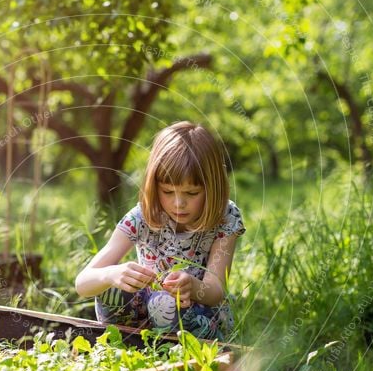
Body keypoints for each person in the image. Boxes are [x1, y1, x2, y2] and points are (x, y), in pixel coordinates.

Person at [75, 121, 245, 341]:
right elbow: (83, 283)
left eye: (191, 193)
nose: (178, 203)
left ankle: (173, 356)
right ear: (154, 186)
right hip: (145, 318)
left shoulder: (225, 217)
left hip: (198, 319)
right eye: (167, 191)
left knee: (163, 302)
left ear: (211, 188)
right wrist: (111, 273)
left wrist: (193, 287)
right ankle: (125, 345)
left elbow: (215, 290)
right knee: (113, 288)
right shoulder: (142, 217)